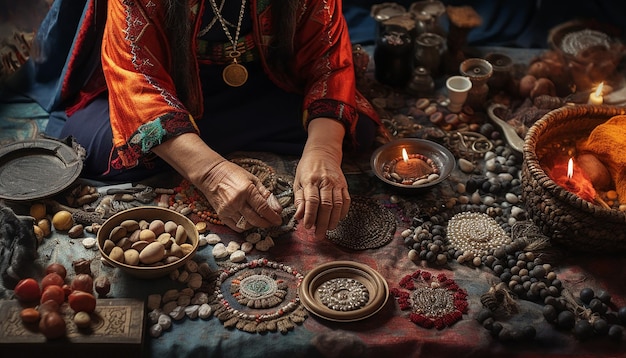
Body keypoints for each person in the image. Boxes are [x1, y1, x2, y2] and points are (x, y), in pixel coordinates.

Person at [10, 0, 385, 239]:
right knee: (93, 147)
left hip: (264, 80)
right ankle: (194, 146)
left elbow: (328, 57)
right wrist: (212, 174)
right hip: (169, 87)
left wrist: (322, 150)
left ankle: (188, 144)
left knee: (353, 129)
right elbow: (136, 77)